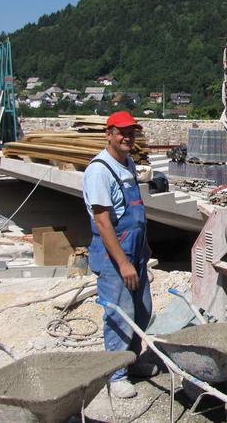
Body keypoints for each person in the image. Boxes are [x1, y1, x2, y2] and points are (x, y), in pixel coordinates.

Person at [83, 111, 153, 398]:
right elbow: (102, 221)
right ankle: (116, 373)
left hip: (135, 250)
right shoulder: (99, 170)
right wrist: (123, 263)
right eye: (122, 132)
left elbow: (135, 212)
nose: (128, 137)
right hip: (115, 256)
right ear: (108, 133)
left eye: (131, 132)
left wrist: (144, 247)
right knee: (119, 314)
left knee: (143, 310)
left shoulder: (127, 164)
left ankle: (132, 361)